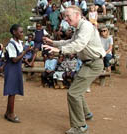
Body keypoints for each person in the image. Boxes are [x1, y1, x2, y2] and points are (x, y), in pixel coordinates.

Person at [43, 6, 106, 134]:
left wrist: (59, 50)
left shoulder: (86, 27)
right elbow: (70, 41)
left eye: (68, 16)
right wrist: (53, 43)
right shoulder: (79, 28)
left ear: (77, 15)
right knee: (78, 90)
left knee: (73, 93)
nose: (65, 19)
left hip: (93, 64)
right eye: (65, 16)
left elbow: (78, 45)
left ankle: (80, 127)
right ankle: (86, 114)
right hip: (89, 63)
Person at [4, 24, 32, 123]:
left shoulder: (19, 42)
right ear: (14, 32)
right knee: (12, 91)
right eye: (20, 32)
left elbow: (19, 58)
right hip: (11, 69)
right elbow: (15, 59)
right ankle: (10, 114)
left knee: (14, 91)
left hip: (16, 69)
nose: (22, 34)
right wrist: (25, 52)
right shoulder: (11, 44)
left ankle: (8, 112)